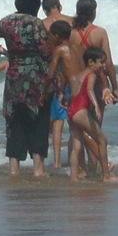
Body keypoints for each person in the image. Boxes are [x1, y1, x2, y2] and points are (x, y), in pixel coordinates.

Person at [0, 0, 52, 177]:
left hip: (12, 77)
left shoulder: (6, 22)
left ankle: (14, 169)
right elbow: (45, 52)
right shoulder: (35, 23)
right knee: (38, 121)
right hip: (35, 78)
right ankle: (38, 170)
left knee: (14, 121)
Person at [67, 47, 118, 182]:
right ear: (90, 62)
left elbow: (73, 93)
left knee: (76, 147)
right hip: (80, 111)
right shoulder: (92, 74)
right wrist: (95, 105)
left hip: (71, 111)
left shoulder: (79, 75)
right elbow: (89, 90)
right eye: (101, 62)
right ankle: (106, 176)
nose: (102, 65)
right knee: (102, 140)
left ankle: (73, 177)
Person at [44, 20, 75, 172]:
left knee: (57, 122)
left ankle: (56, 161)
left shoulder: (59, 49)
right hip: (76, 87)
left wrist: (44, 92)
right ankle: (78, 164)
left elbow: (53, 74)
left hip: (63, 88)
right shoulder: (78, 48)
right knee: (74, 127)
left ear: (56, 36)